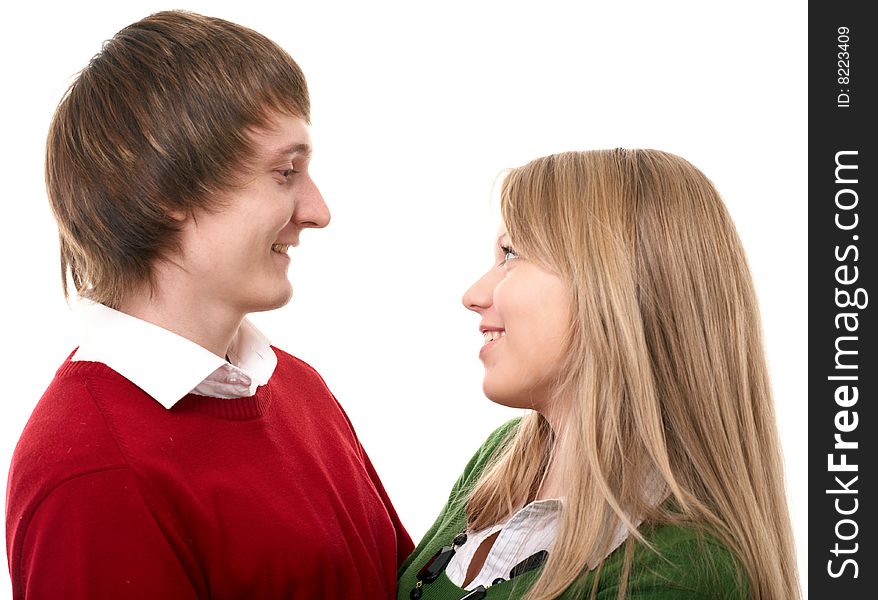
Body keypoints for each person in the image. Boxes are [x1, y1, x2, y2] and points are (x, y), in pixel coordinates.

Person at [6, 10, 412, 599]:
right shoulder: (92, 470)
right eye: (285, 172)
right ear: (169, 188)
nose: (318, 210)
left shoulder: (300, 389)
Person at [398, 150, 800, 599]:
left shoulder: (678, 569)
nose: (473, 295)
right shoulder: (500, 461)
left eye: (510, 254)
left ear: (612, 287)